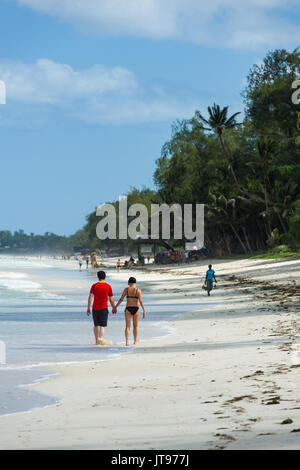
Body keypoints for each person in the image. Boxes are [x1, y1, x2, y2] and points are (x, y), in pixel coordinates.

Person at [87, 271, 116, 345]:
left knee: (96, 325)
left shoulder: (94, 286)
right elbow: (111, 298)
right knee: (102, 326)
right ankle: (100, 339)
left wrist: (88, 307)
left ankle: (97, 341)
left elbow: (90, 296)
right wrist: (114, 307)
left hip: (95, 308)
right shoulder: (108, 286)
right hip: (104, 308)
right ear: (105, 277)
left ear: (98, 277)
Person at [115, 277, 146, 346]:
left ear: (129, 283)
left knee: (128, 326)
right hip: (136, 308)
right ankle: (135, 341)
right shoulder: (138, 290)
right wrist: (144, 310)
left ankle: (127, 342)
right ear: (135, 283)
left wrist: (115, 307)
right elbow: (141, 301)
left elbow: (121, 299)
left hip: (128, 309)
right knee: (135, 326)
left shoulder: (126, 290)